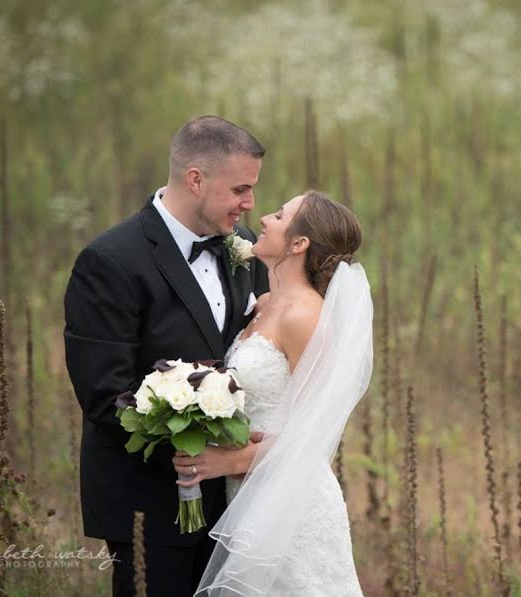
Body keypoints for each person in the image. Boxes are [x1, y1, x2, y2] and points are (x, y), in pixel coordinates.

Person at [64, 116, 269, 597]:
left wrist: (237, 458)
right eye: (240, 188)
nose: (251, 203)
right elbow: (104, 395)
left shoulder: (245, 253)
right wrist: (198, 448)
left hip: (238, 508)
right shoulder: (110, 261)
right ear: (195, 179)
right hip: (149, 507)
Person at [172, 190, 373, 596]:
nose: (264, 218)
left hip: (293, 504)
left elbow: (315, 433)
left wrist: (227, 462)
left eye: (280, 216)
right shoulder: (263, 302)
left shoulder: (305, 316)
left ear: (299, 244)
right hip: (248, 493)